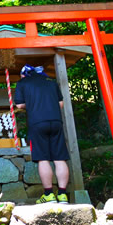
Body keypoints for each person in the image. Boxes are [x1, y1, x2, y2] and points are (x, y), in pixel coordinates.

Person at [14, 64, 70, 204]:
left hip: (37, 122)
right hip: (56, 121)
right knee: (59, 158)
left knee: (43, 158)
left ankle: (49, 194)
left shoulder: (23, 83)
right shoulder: (50, 83)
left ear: (24, 74)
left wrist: (32, 103)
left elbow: (19, 105)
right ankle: (63, 195)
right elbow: (61, 104)